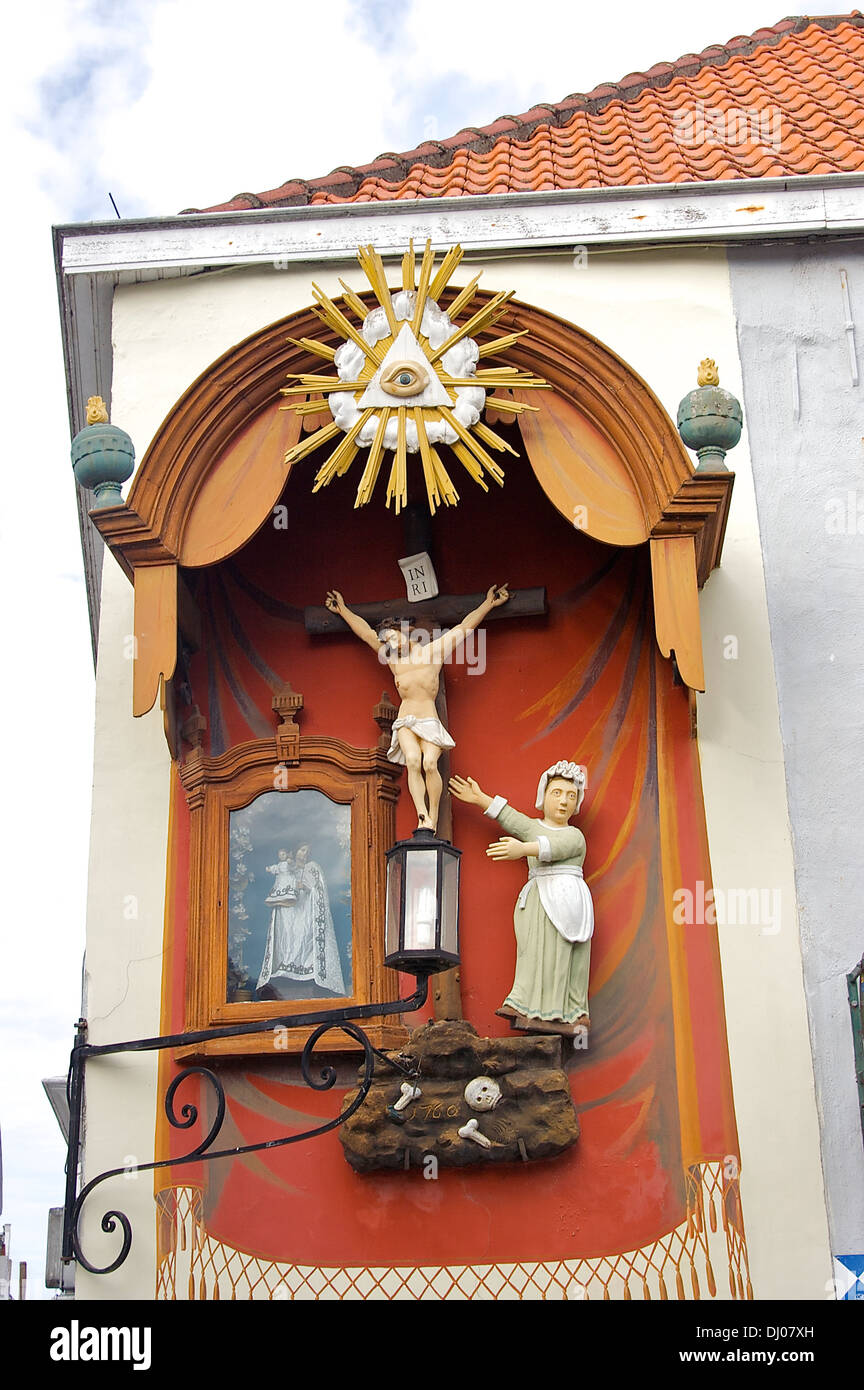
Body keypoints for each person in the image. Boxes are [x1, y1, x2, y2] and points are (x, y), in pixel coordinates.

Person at [325, 584, 510, 831]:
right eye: (387, 641)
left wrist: (488, 604)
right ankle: (422, 815)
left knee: (429, 764)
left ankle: (432, 813)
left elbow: (463, 628)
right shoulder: (394, 662)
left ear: (405, 633)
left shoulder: (433, 652)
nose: (391, 644)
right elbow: (367, 634)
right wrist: (343, 610)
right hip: (405, 720)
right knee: (412, 760)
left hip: (428, 720)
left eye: (393, 637)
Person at [449, 761, 593, 1037]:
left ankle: (561, 1013)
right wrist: (480, 798)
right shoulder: (535, 827)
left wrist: (523, 849)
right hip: (537, 900)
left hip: (565, 904)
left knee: (559, 954)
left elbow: (557, 847)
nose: (563, 801)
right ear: (544, 795)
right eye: (557, 793)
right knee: (532, 952)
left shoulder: (575, 835)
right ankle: (526, 1005)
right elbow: (512, 818)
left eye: (570, 795)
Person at [257, 844, 346, 997]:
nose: (304, 854)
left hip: (304, 913)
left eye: (308, 851)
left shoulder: (312, 868)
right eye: (302, 850)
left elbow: (318, 890)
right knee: (286, 939)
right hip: (288, 913)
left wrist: (305, 887)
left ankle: (304, 972)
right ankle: (285, 970)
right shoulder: (288, 868)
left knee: (303, 938)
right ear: (295, 850)